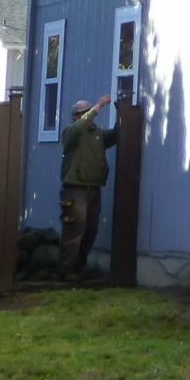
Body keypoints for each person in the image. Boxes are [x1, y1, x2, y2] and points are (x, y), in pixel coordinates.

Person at [59, 94, 118, 280]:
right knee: (74, 229)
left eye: (89, 112)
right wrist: (99, 106)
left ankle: (79, 267)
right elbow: (79, 128)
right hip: (75, 189)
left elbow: (116, 135)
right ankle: (66, 271)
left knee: (91, 229)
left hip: (93, 188)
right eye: (84, 113)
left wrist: (122, 114)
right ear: (76, 117)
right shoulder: (71, 132)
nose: (89, 116)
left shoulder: (98, 134)